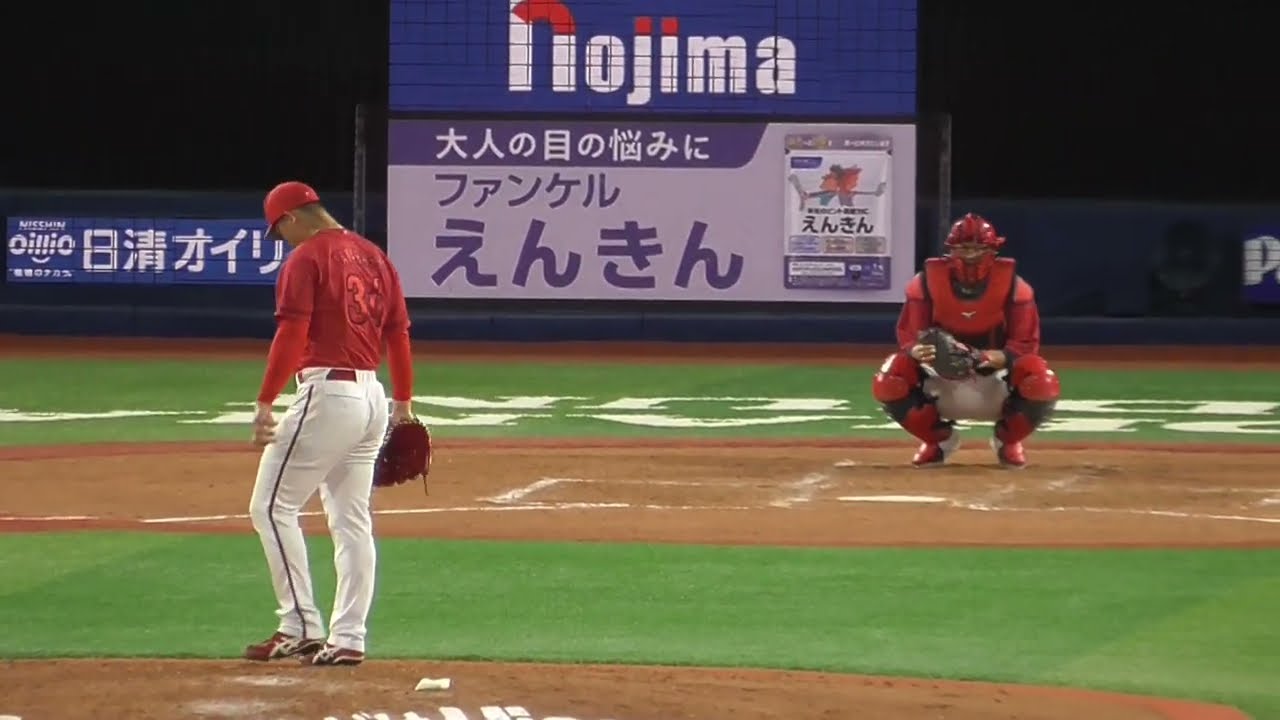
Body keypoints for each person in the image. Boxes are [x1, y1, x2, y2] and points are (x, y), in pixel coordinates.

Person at [242, 180, 415, 666]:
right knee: (352, 521)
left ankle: (298, 625)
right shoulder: (376, 256)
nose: (282, 240)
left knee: (270, 507)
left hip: (329, 395)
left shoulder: (306, 259)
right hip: (372, 397)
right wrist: (403, 402)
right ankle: (349, 637)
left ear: (292, 218)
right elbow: (398, 333)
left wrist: (265, 401)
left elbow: (293, 331)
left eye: (279, 231)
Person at [870, 213, 1061, 468]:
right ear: (951, 250)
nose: (971, 256)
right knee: (890, 375)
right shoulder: (924, 282)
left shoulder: (1016, 286)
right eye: (963, 248)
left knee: (1041, 378)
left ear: (992, 250)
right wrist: (919, 351)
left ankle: (1008, 440)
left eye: (978, 249)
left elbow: (1025, 343)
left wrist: (998, 357)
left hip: (994, 379)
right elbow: (911, 336)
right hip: (941, 378)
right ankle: (938, 440)